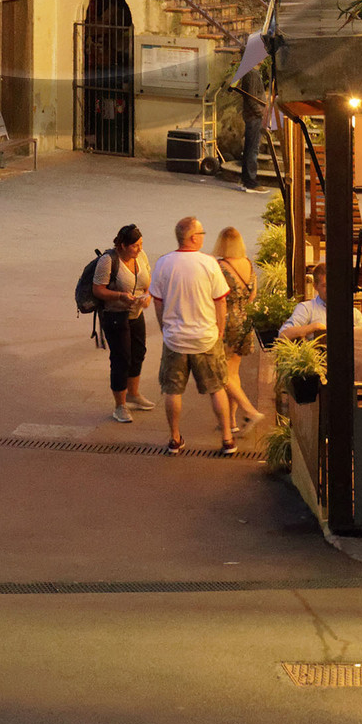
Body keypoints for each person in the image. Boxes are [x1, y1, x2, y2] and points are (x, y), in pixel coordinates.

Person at [148, 216, 235, 456]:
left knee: (172, 390)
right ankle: (227, 437)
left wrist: (164, 327)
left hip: (175, 338)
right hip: (206, 337)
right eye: (202, 233)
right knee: (217, 388)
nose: (204, 237)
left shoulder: (164, 263)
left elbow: (157, 301)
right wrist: (220, 329)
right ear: (193, 237)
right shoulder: (209, 264)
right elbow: (220, 301)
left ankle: (175, 438)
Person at [93, 225, 154, 424]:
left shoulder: (141, 257)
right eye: (135, 246)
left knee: (138, 353)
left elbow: (148, 282)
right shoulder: (108, 261)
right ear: (122, 245)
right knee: (121, 359)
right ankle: (120, 406)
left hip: (135, 313)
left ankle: (133, 394)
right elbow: (98, 290)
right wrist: (120, 296)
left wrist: (147, 297)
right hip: (115, 315)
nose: (139, 249)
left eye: (141, 244)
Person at [213, 227, 265, 430]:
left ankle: (250, 411)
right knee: (233, 373)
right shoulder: (248, 265)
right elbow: (252, 296)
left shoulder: (220, 267)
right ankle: (231, 422)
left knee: (221, 373)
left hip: (226, 323)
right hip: (245, 322)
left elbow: (216, 297)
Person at [237, 63, 267, 192]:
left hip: (252, 116)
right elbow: (252, 98)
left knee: (250, 148)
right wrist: (261, 113)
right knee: (252, 149)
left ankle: (246, 179)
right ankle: (251, 181)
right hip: (254, 116)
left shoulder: (251, 72)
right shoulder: (252, 74)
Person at [279, 263, 328, 337]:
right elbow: (283, 335)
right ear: (315, 286)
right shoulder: (307, 308)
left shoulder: (348, 309)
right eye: (325, 285)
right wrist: (314, 327)